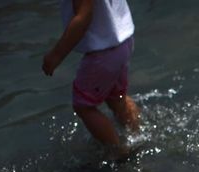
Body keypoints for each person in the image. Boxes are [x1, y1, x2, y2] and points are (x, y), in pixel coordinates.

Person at [42, 0, 139, 155]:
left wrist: (56, 55)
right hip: (123, 40)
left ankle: (121, 155)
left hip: (103, 53)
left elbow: (83, 17)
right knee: (116, 98)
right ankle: (137, 136)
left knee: (83, 106)